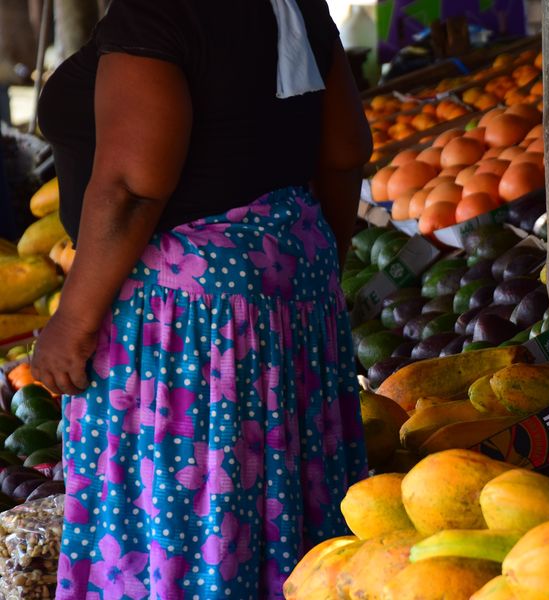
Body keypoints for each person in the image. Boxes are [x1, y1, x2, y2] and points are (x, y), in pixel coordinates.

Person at [31, 0, 372, 597]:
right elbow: (344, 151)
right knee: (281, 499)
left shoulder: (155, 12)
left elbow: (132, 186)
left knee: (184, 517)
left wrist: (71, 322)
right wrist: (306, 275)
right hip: (289, 271)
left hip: (187, 316)